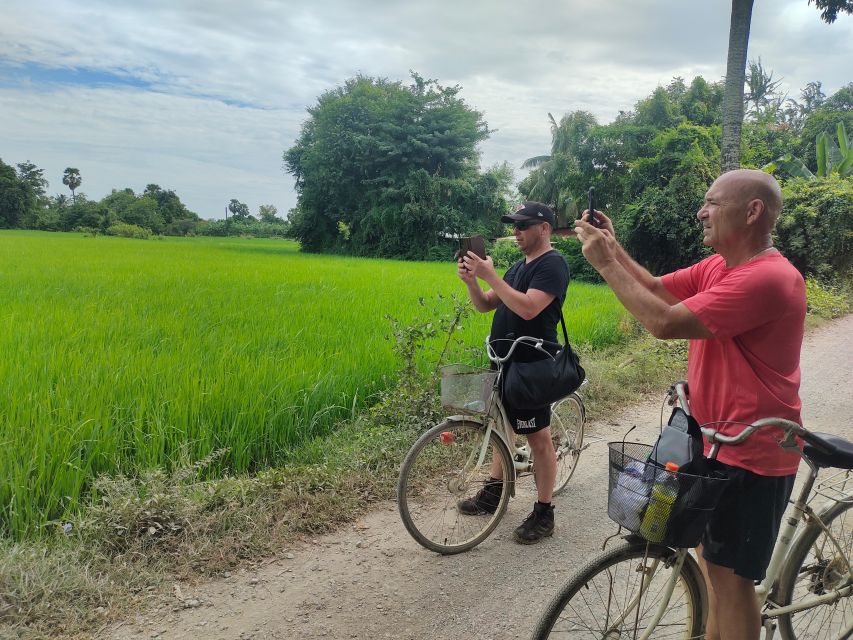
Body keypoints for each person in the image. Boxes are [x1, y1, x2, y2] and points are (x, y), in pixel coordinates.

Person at [574, 169, 805, 640]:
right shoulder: (718, 267)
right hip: (713, 444)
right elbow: (658, 290)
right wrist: (614, 248)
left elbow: (661, 322)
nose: (701, 212)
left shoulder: (768, 278)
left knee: (732, 581)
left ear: (752, 211)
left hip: (754, 452)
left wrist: (603, 264)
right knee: (710, 561)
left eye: (712, 203)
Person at [456, 201, 570, 544]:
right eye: (514, 226)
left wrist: (489, 273)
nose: (516, 232)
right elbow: (487, 304)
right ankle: (495, 491)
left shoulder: (553, 264)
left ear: (544, 228)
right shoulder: (518, 267)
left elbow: (529, 307)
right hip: (503, 358)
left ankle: (544, 510)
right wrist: (473, 282)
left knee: (538, 438)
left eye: (524, 225)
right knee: (500, 427)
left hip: (532, 363)